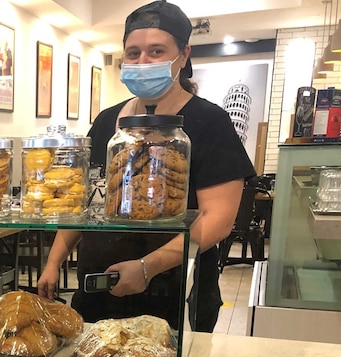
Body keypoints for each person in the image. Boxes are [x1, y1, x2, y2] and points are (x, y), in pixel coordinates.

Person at [38, 0, 255, 332]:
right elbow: (87, 204)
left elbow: (219, 220)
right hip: (99, 287)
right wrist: (54, 261)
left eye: (156, 51)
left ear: (183, 55)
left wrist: (146, 267)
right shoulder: (107, 122)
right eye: (133, 52)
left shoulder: (210, 123)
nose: (143, 61)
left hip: (173, 289)